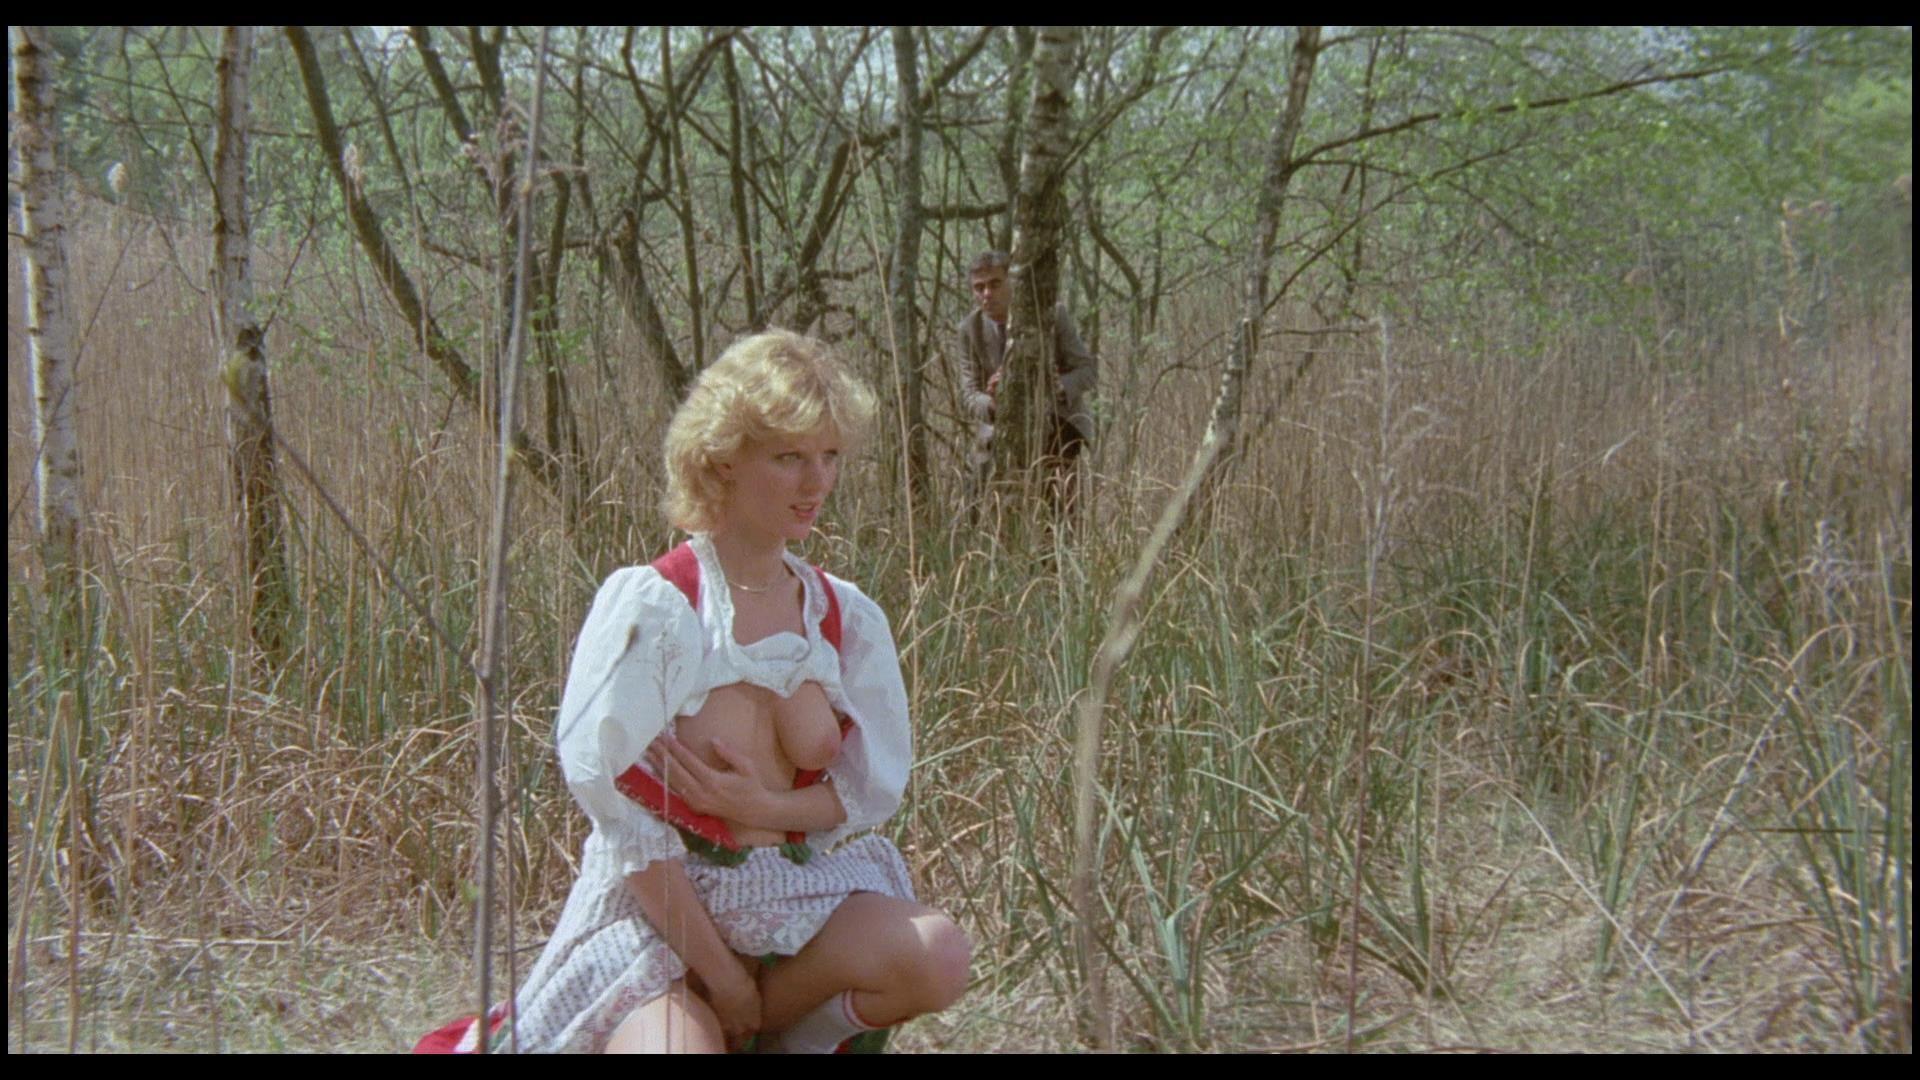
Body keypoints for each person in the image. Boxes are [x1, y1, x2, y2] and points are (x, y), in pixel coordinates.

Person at [438, 330, 969, 1053]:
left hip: (794, 897)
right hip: (662, 919)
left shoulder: (843, 615)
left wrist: (763, 807)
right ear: (723, 459)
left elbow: (863, 793)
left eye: (829, 456)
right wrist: (723, 978)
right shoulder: (657, 607)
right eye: (789, 458)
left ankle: (791, 1043)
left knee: (936, 955)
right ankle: (705, 1022)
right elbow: (626, 823)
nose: (816, 483)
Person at [955, 251, 1098, 515]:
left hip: (1057, 422)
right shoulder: (969, 329)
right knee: (973, 502)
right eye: (979, 287)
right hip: (998, 429)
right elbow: (969, 395)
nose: (987, 293)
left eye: (995, 284)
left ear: (1012, 283)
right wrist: (994, 401)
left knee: (1057, 509)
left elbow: (1088, 370)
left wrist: (1058, 387)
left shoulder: (1051, 314)